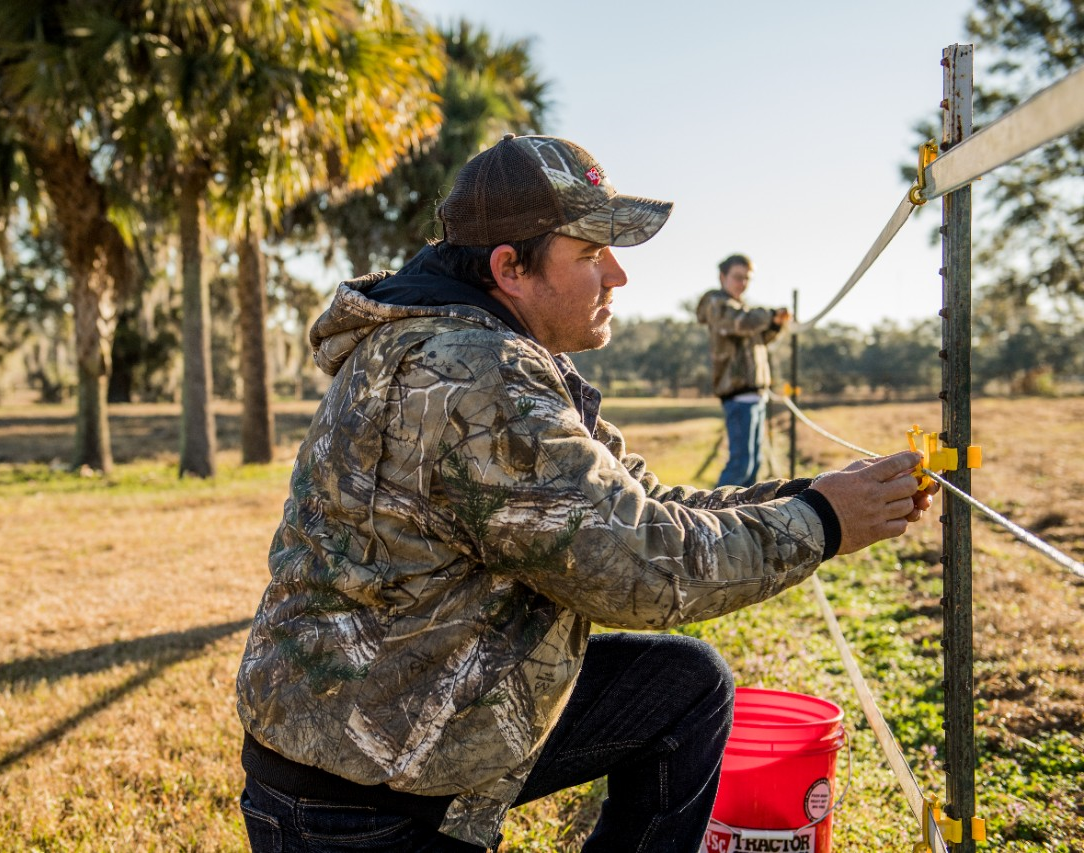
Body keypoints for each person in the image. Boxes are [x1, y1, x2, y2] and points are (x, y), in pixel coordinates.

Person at [236, 134, 934, 853]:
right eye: (591, 252)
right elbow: (640, 567)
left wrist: (811, 493)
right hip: (362, 802)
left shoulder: (492, 349)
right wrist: (821, 521)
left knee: (684, 688)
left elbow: (642, 502)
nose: (619, 275)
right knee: (681, 681)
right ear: (509, 267)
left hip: (415, 714)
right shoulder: (479, 374)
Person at [696, 255, 790, 488]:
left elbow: (760, 338)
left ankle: (739, 518)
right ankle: (712, 515)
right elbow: (743, 324)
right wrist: (769, 315)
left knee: (753, 465)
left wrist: (775, 324)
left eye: (747, 279)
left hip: (755, 394)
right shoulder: (717, 304)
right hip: (738, 395)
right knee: (741, 465)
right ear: (722, 277)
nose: (743, 283)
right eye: (738, 277)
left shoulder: (741, 309)